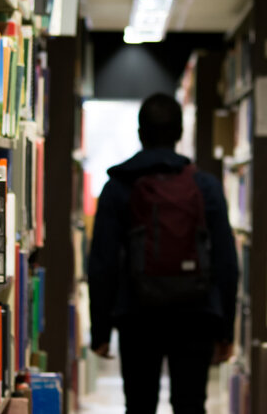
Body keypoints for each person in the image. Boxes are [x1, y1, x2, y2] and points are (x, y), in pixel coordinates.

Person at [88, 93, 239, 414]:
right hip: (196, 313)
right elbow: (226, 260)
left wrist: (100, 329)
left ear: (141, 133)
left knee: (140, 404)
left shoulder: (118, 186)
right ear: (180, 133)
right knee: (190, 404)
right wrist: (225, 329)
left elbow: (102, 262)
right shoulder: (205, 186)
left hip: (137, 314)